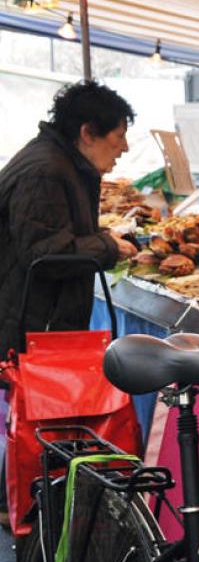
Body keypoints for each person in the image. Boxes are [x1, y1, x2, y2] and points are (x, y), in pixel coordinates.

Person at [0, 80, 138, 362]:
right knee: (32, 402)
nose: (124, 147)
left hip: (33, 319)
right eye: (120, 135)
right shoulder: (45, 170)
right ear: (88, 132)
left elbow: (52, 227)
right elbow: (45, 253)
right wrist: (107, 247)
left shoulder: (61, 162)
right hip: (28, 324)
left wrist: (103, 235)